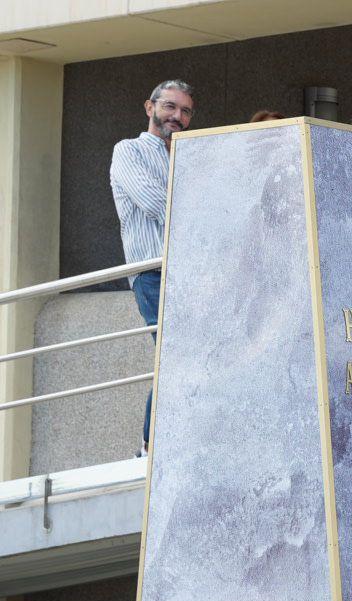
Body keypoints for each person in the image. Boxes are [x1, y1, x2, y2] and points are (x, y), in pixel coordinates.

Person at [111, 78, 195, 450]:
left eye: (185, 111)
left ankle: (174, 444)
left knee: (189, 358)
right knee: (176, 356)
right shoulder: (128, 151)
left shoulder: (190, 155)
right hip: (153, 275)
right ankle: (150, 448)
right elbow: (154, 202)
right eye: (170, 107)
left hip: (193, 272)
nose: (177, 116)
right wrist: (201, 214)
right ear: (150, 108)